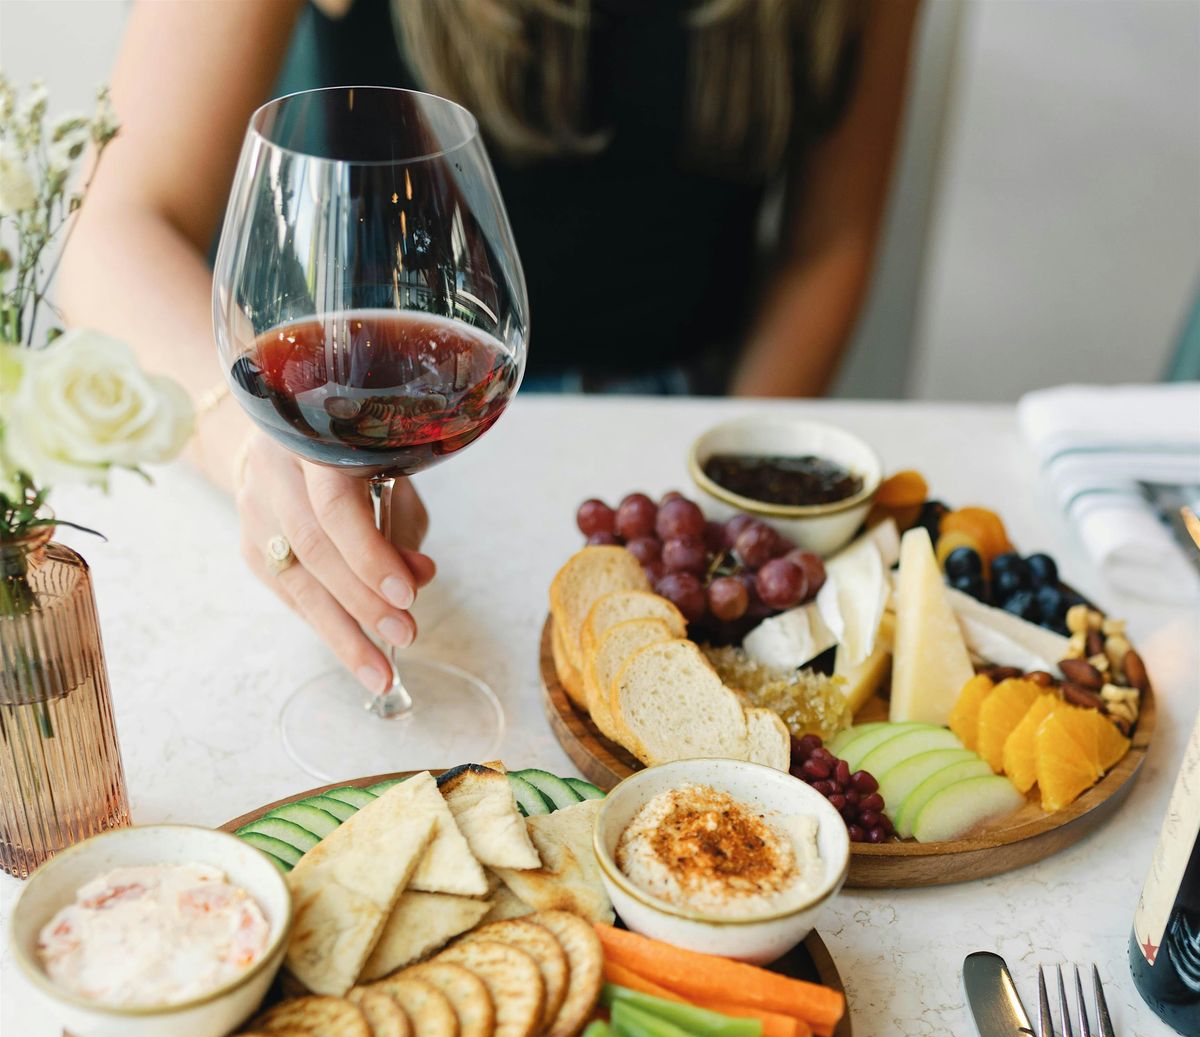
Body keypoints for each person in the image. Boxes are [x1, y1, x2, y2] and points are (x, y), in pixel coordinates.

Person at [60, 0, 921, 695]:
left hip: (681, 430)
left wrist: (722, 497)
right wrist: (249, 447)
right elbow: (111, 227)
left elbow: (827, 246)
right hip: (363, 399)